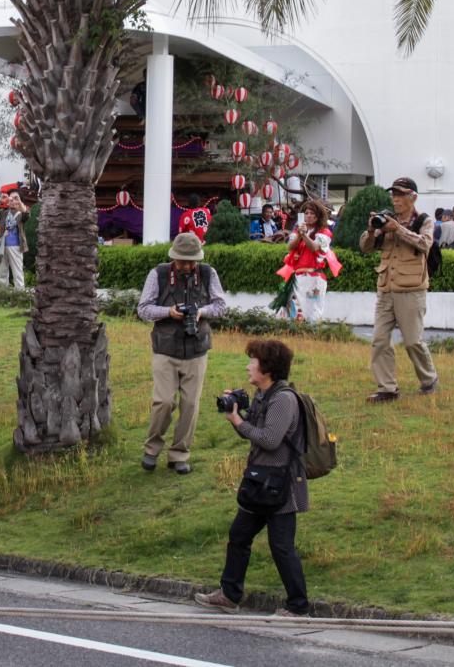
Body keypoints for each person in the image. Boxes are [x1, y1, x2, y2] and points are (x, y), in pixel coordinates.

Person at [194, 338, 311, 618]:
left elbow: (269, 440)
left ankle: (298, 607)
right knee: (239, 535)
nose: (248, 366)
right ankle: (229, 595)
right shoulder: (263, 395)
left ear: (267, 368)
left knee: (281, 546)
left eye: (252, 361)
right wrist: (237, 414)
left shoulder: (283, 399)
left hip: (281, 486)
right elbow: (255, 436)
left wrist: (239, 422)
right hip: (261, 484)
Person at [137, 232, 229, 474]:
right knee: (163, 402)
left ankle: (180, 454)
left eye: (191, 261)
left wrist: (200, 312)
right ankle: (152, 449)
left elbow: (221, 306)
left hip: (197, 349)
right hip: (165, 349)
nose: (187, 266)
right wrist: (169, 312)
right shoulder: (158, 274)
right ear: (173, 258)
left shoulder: (208, 273)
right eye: (182, 261)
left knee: (190, 404)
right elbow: (143, 309)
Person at [362, 177, 438, 402]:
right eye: (393, 194)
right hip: (386, 287)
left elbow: (425, 244)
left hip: (411, 289)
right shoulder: (386, 219)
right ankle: (387, 388)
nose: (396, 199)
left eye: (401, 194)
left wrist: (399, 229)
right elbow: (365, 248)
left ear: (413, 197)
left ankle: (429, 380)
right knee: (379, 340)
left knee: (413, 340)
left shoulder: (424, 220)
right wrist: (371, 230)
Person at [280, 199, 335, 323]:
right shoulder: (297, 231)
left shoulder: (325, 233)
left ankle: (314, 337)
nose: (309, 216)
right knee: (295, 311)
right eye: (306, 213)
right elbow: (290, 247)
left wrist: (304, 235)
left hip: (315, 278)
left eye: (312, 213)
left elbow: (314, 247)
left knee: (312, 311)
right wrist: (300, 234)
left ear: (318, 216)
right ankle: (298, 336)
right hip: (298, 277)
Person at [0, 190, 28, 289]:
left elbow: (27, 215)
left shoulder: (21, 213)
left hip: (16, 246)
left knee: (17, 272)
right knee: (3, 272)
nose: (13, 200)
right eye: (11, 198)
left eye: (15, 198)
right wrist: (0, 199)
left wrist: (20, 202)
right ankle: (3, 293)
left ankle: (20, 295)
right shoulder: (4, 213)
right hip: (2, 246)